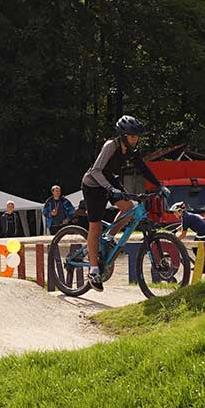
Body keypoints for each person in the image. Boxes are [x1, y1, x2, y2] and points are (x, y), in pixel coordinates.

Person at [80, 116, 166, 291]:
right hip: (93, 184)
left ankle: (110, 236)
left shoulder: (131, 150)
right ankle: (93, 269)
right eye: (132, 136)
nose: (136, 139)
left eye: (137, 136)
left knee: (130, 209)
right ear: (123, 135)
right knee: (95, 226)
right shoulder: (110, 145)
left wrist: (159, 184)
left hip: (110, 181)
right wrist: (109, 189)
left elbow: (142, 166)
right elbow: (96, 170)